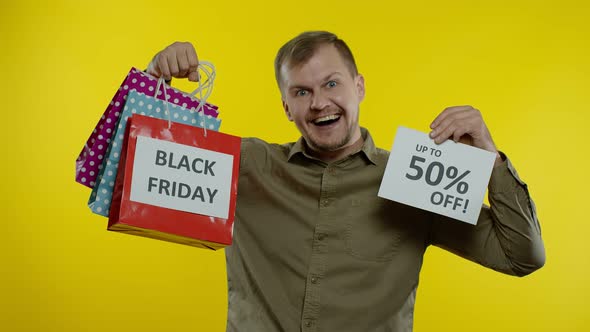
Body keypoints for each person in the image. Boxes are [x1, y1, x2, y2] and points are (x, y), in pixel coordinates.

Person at [146, 31, 545, 332]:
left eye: (332, 84)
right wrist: (153, 84)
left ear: (359, 87)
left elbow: (521, 256)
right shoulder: (247, 165)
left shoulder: (415, 178)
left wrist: (490, 160)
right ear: (286, 106)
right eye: (301, 91)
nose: (319, 102)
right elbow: (130, 178)